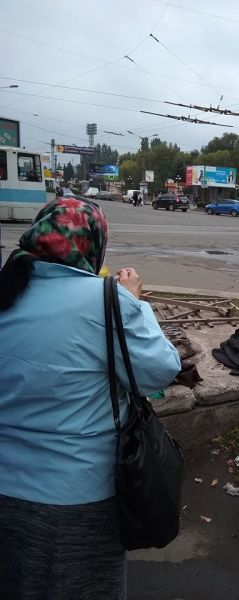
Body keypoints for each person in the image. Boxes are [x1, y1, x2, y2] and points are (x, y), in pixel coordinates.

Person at [0, 197, 181, 598]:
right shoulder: (105, 300)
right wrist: (133, 300)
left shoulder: (6, 292)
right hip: (77, 499)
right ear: (93, 244)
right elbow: (159, 370)